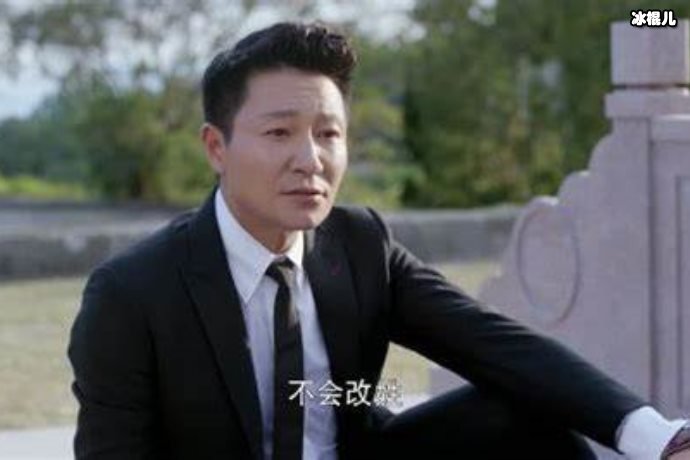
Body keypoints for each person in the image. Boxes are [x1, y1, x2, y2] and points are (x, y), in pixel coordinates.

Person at [68, 21, 690, 460]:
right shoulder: (132, 293)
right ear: (216, 147)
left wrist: (659, 438)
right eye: (280, 133)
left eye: (328, 134)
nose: (310, 159)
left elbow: (498, 346)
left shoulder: (359, 244)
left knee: (524, 418)